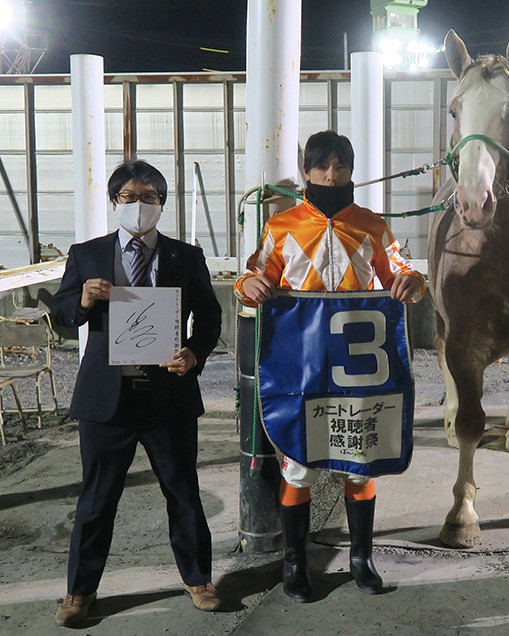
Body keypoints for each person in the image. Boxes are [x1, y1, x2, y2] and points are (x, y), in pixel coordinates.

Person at [234, 130, 425, 602]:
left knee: (360, 463)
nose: (331, 175)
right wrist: (246, 286)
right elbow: (255, 274)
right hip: (301, 368)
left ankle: (362, 558)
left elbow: (398, 271)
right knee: (298, 466)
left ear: (352, 171)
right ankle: (294, 563)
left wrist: (413, 282)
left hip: (359, 371)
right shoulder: (281, 226)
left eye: (340, 167)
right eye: (322, 166)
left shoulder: (373, 225)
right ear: (307, 171)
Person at [49, 160, 223, 627]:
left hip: (168, 395)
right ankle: (78, 592)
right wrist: (83, 300)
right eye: (129, 197)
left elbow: (209, 314)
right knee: (96, 498)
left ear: (162, 205)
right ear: (114, 202)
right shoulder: (87, 254)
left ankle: (199, 580)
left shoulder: (186, 256)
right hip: (108, 399)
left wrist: (194, 353)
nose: (139, 205)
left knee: (183, 491)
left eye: (149, 197)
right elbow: (63, 314)